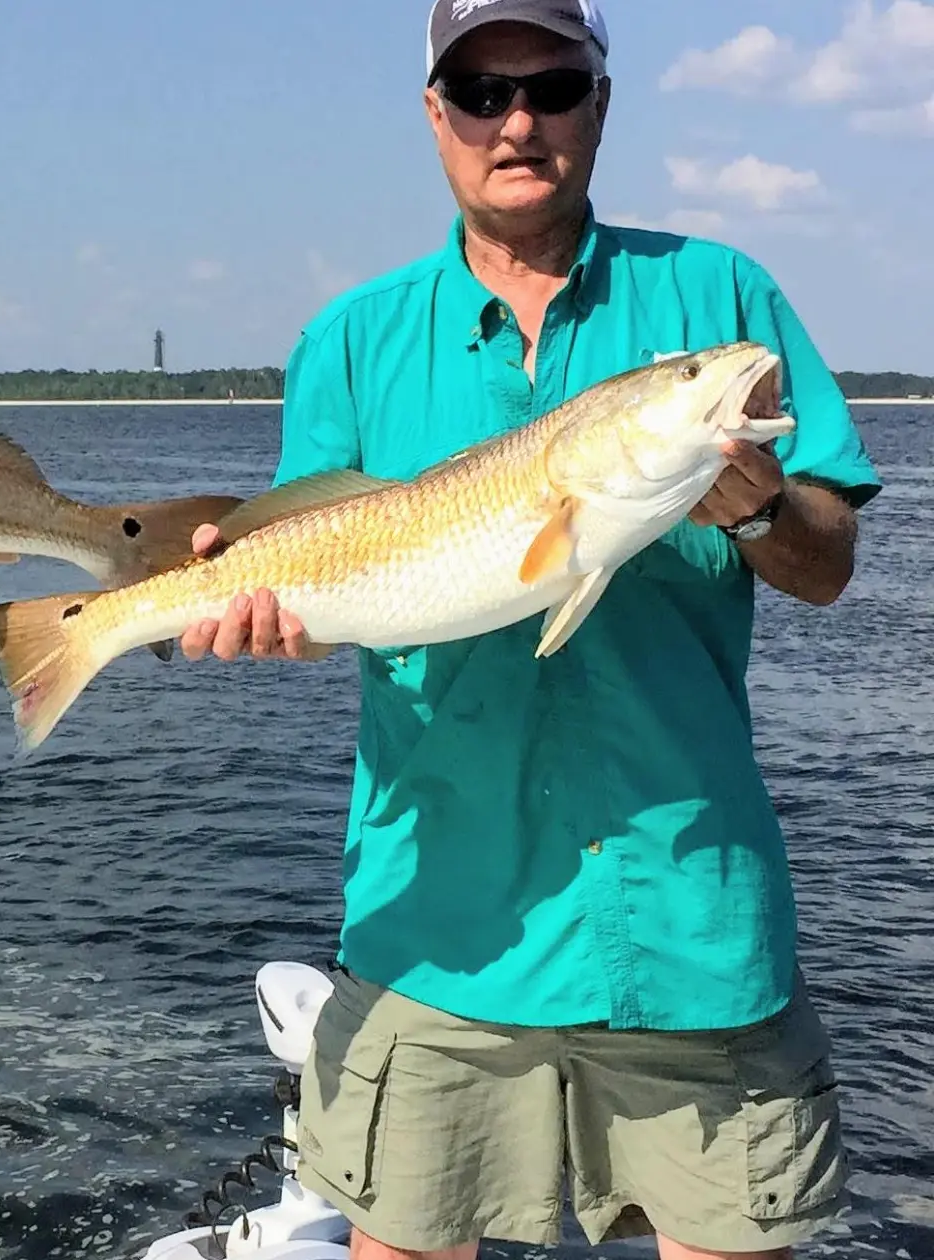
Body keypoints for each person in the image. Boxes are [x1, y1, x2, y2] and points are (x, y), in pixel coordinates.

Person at [180, 2, 880, 1258]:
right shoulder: (349, 340)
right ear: (435, 111)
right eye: (480, 88)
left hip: (689, 924)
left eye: (554, 86)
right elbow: (317, 570)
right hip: (434, 924)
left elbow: (825, 564)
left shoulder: (723, 294)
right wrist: (269, 616)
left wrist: (765, 507)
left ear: (601, 103)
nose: (518, 121)